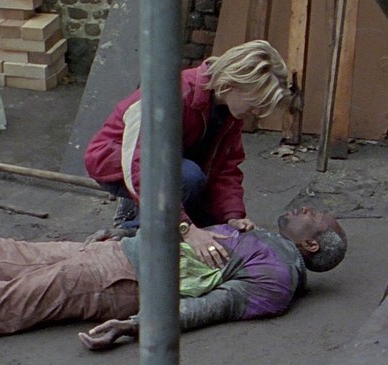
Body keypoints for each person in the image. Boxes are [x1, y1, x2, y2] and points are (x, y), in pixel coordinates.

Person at [0, 208, 346, 348]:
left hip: (123, 279)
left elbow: (208, 307)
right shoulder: (259, 234)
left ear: (311, 246)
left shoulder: (276, 280)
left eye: (314, 217)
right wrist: (122, 233)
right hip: (115, 251)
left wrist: (136, 326)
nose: (306, 209)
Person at [84, 40, 295, 267]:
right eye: (256, 104)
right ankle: (131, 234)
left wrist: (232, 215)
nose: (258, 113)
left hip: (175, 160)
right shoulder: (174, 94)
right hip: (118, 159)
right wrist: (185, 228)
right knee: (189, 179)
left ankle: (146, 217)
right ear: (234, 83)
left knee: (212, 225)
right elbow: (144, 167)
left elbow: (226, 166)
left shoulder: (229, 111)